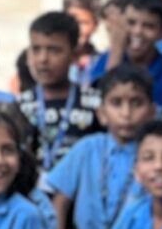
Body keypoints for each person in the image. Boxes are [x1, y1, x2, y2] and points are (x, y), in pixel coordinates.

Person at [47, 63, 155, 229]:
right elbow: (60, 202)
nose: (126, 113)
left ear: (152, 111)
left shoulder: (154, 154)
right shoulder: (87, 148)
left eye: (136, 103)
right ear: (102, 113)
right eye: (116, 103)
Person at [15, 12, 99, 175]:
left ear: (74, 55)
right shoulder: (19, 106)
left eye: (54, 50)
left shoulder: (95, 103)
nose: (43, 59)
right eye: (36, 49)